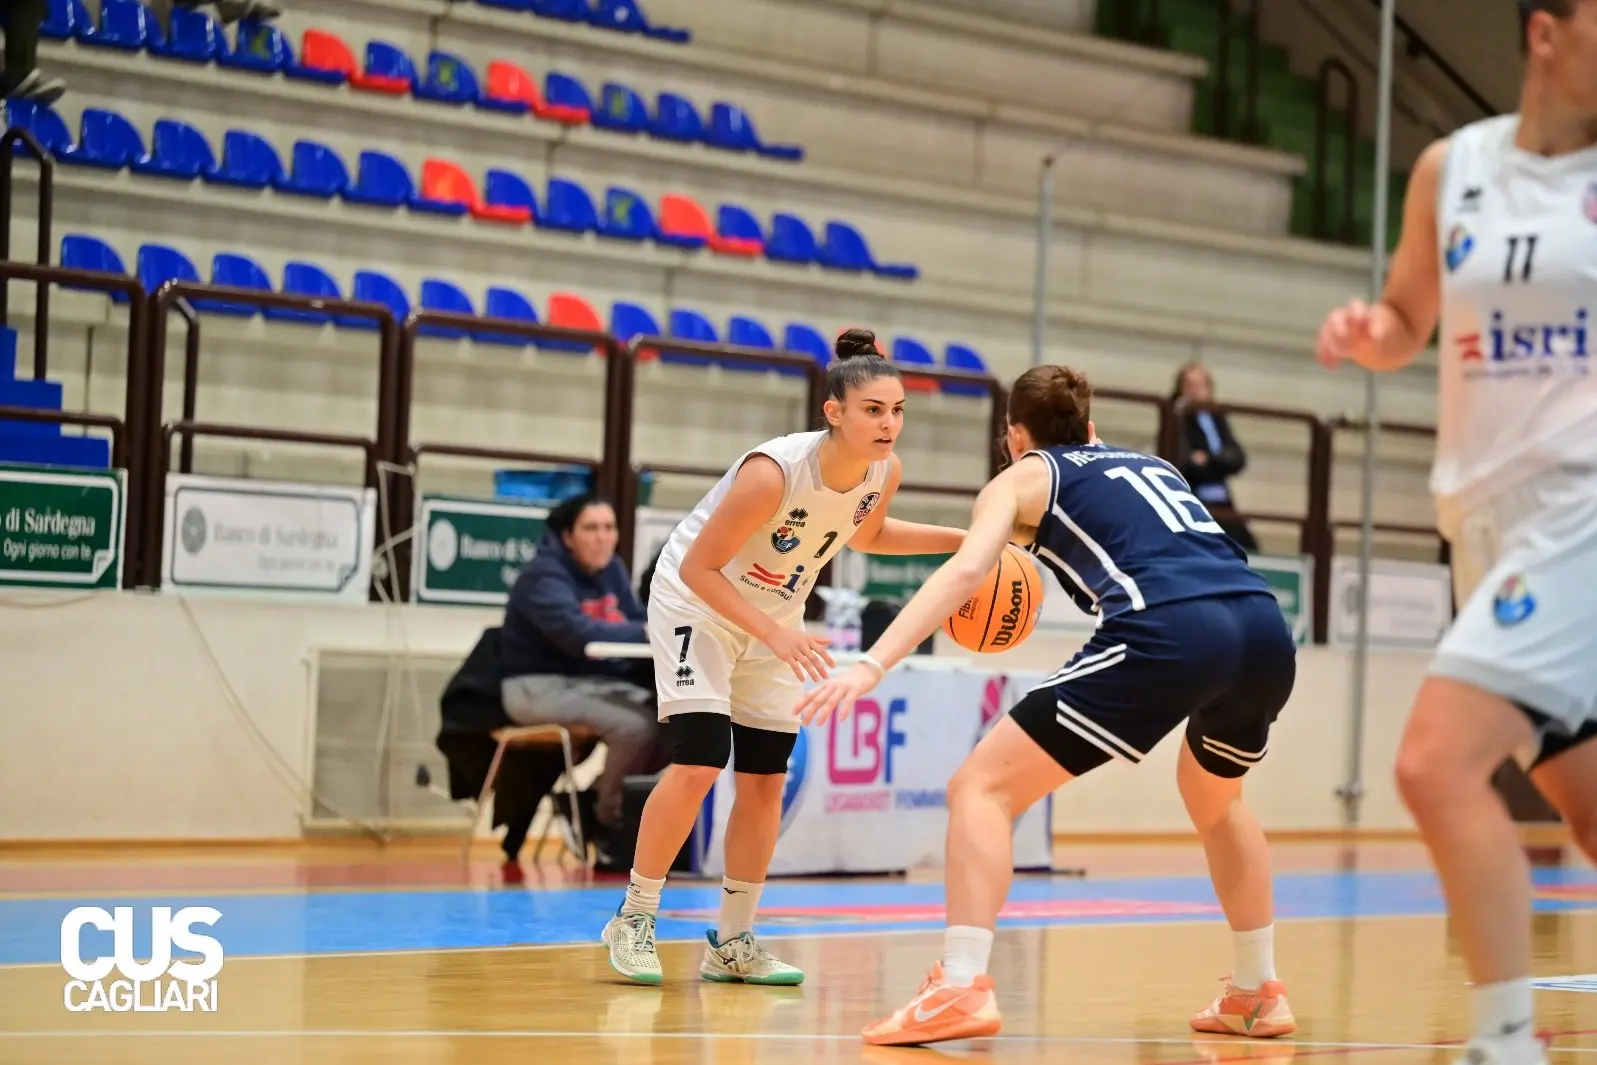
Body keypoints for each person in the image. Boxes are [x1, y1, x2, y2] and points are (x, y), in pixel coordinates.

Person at [795, 364, 1298, 1047]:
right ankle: (1256, 990)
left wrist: (872, 663)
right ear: (1089, 427)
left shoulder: (1020, 476)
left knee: (980, 786)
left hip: (1173, 628)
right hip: (1263, 627)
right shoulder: (1149, 464)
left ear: (1013, 436)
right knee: (1216, 801)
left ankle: (960, 983)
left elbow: (970, 570)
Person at [1314, 4, 1597, 1062]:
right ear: (1545, 32)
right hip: (1479, 519)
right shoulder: (1453, 167)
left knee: (1435, 766)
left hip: (1581, 508)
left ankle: (1504, 1042)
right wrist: (1366, 333)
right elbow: (1406, 319)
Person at [599, 327, 967, 986]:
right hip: (697, 605)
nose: (889, 423)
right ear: (834, 411)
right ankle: (634, 913)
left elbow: (872, 532)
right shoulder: (773, 472)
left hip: (775, 619)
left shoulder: (883, 472)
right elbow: (698, 567)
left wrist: (966, 540)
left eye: (897, 409)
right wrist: (772, 635)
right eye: (873, 410)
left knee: (767, 777)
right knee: (700, 758)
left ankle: (733, 938)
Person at [499, 493, 660, 869]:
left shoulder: (612, 569)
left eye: (609, 528)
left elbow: (636, 622)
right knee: (636, 726)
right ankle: (607, 820)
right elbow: (577, 633)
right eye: (590, 528)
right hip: (533, 685)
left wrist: (646, 631)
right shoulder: (543, 575)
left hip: (586, 681)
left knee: (670, 718)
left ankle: (590, 804)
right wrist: (645, 633)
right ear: (568, 536)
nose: (602, 538)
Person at [1170, 361, 1257, 552]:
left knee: (1248, 547)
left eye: (1201, 385)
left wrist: (1209, 459)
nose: (1196, 391)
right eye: (1190, 385)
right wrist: (1218, 462)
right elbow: (1186, 463)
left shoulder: (1217, 416)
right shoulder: (1177, 417)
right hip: (1193, 498)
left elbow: (1238, 459)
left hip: (1223, 501)